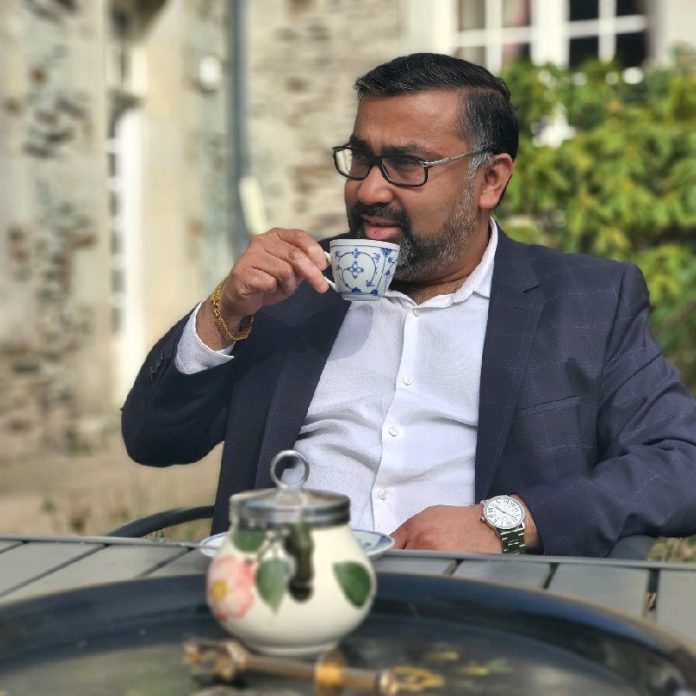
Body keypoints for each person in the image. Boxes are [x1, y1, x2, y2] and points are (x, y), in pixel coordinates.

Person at [122, 53, 696, 557]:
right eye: (361, 158)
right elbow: (154, 440)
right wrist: (226, 310)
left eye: (407, 165)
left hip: (481, 612)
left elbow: (681, 463)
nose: (369, 190)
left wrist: (506, 523)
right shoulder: (291, 289)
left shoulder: (585, 302)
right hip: (287, 596)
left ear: (490, 180)